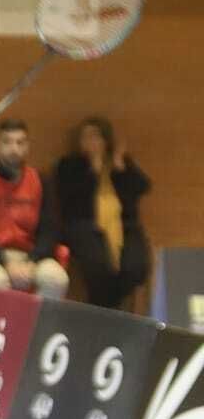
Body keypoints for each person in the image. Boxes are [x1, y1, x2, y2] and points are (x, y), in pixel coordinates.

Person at [0, 119, 68, 298]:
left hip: (31, 256)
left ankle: (37, 326)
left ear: (27, 146)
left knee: (57, 279)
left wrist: (32, 261)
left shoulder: (40, 180)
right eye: (7, 142)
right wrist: (5, 262)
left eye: (20, 142)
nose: (14, 149)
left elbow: (50, 229)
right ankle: (1, 327)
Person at [55, 116, 152, 309]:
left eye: (96, 137)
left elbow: (143, 187)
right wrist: (93, 170)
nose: (91, 142)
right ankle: (108, 313)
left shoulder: (119, 164)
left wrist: (121, 168)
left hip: (124, 227)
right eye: (86, 137)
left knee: (135, 266)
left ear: (106, 141)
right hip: (83, 226)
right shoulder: (69, 165)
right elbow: (69, 198)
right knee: (99, 267)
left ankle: (112, 311)